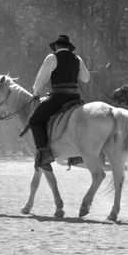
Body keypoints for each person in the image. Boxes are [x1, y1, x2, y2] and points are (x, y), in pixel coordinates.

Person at [29, 34, 90, 168]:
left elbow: (41, 78)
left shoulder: (52, 58)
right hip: (75, 99)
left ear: (56, 46)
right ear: (68, 47)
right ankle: (77, 155)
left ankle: (45, 154)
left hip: (59, 98)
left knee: (35, 120)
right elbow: (86, 78)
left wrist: (36, 92)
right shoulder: (77, 59)